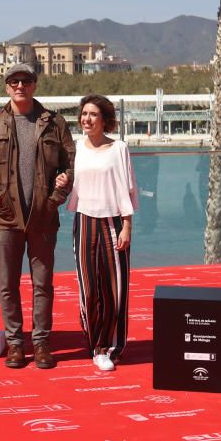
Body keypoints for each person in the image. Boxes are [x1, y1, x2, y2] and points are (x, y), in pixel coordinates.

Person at [0, 63, 75, 369]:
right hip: (6, 217)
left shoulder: (54, 123)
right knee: (8, 284)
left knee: (43, 285)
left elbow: (70, 166)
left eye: (25, 81)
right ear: (6, 87)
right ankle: (15, 344)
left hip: (43, 217)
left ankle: (41, 344)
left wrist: (55, 199)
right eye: (14, 81)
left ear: (34, 85)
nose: (20, 86)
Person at [66, 94, 137, 371]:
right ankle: (95, 343)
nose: (87, 119)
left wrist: (127, 226)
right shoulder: (75, 149)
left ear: (105, 119)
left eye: (93, 114)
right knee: (89, 289)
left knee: (114, 289)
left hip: (114, 223)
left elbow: (128, 189)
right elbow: (63, 178)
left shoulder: (119, 148)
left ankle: (111, 346)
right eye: (84, 114)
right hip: (84, 221)